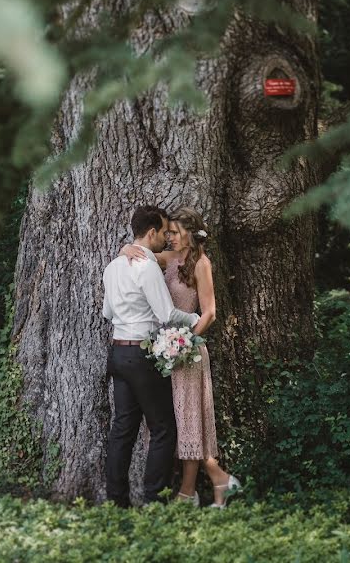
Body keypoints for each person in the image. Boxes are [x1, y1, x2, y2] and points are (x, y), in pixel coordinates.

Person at [121, 206, 240, 508]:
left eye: (174, 232)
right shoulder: (168, 258)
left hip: (187, 353)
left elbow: (209, 312)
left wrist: (185, 343)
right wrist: (126, 248)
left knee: (189, 423)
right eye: (168, 232)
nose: (170, 237)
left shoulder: (201, 263)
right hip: (163, 354)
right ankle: (218, 481)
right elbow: (139, 252)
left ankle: (189, 493)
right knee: (169, 423)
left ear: (189, 234)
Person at [102, 205, 201, 508]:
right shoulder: (146, 267)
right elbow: (167, 314)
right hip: (142, 357)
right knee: (163, 429)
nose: (165, 239)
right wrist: (196, 319)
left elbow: (107, 312)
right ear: (151, 232)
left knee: (123, 429)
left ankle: (117, 502)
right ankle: (153, 501)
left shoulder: (113, 266)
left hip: (118, 353)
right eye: (163, 232)